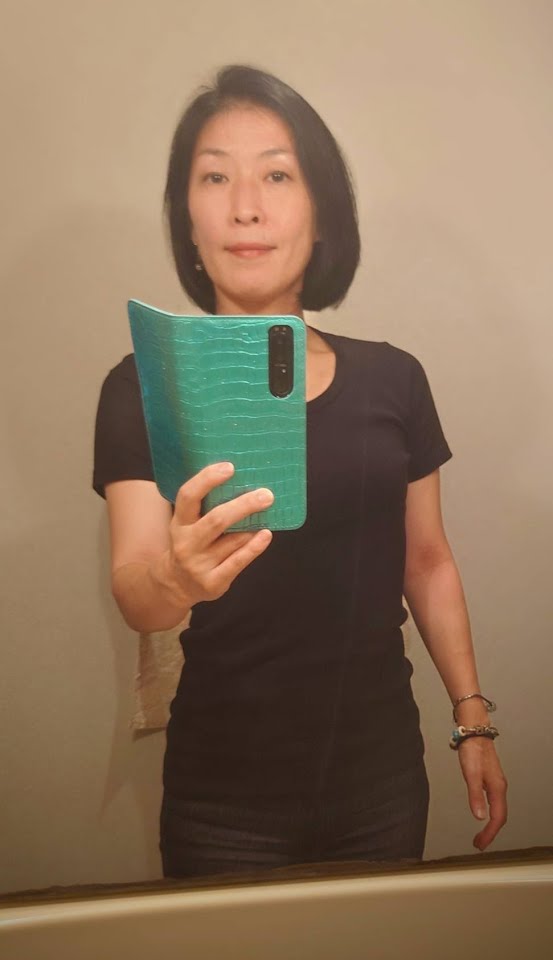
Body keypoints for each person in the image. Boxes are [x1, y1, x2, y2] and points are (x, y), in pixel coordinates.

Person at [93, 64, 508, 878]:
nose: (245, 206)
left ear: (321, 216)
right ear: (187, 218)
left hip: (381, 779)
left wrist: (472, 721)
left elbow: (426, 562)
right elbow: (137, 592)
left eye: (277, 175)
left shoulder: (393, 379)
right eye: (215, 177)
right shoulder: (146, 384)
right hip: (221, 796)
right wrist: (176, 578)